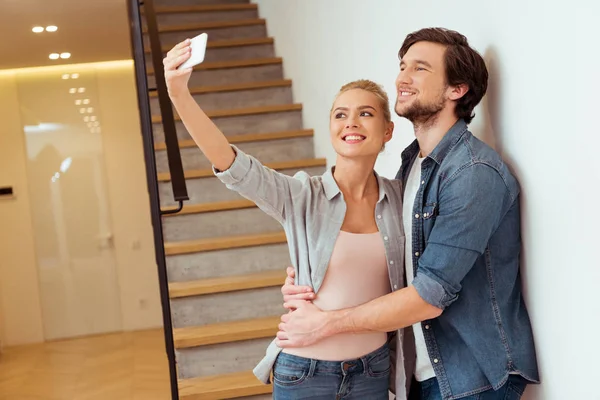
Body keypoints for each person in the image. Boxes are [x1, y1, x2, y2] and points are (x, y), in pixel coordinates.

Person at [278, 27, 540, 400]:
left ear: (457, 89)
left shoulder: (473, 173)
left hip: (471, 377)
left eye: (420, 68)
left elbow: (428, 295)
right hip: (422, 370)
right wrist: (313, 286)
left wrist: (325, 324)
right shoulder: (410, 167)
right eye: (403, 66)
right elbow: (396, 267)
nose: (402, 78)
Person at [163, 40, 410, 399]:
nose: (351, 122)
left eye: (365, 113)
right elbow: (231, 163)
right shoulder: (301, 195)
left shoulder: (402, 198)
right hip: (304, 374)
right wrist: (178, 94)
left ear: (387, 130)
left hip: (372, 372)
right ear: (330, 127)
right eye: (340, 114)